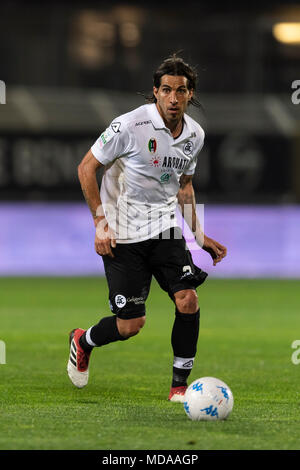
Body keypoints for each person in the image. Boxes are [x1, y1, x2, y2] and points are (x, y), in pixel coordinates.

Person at [67, 54, 227, 402]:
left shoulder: (195, 135)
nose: (173, 98)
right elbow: (85, 168)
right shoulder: (129, 125)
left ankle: (180, 388)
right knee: (130, 325)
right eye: (166, 90)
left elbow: (184, 187)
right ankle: (83, 340)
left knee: (188, 300)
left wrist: (199, 236)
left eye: (181, 91)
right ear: (155, 92)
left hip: (166, 228)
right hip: (123, 233)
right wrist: (100, 223)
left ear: (190, 93)